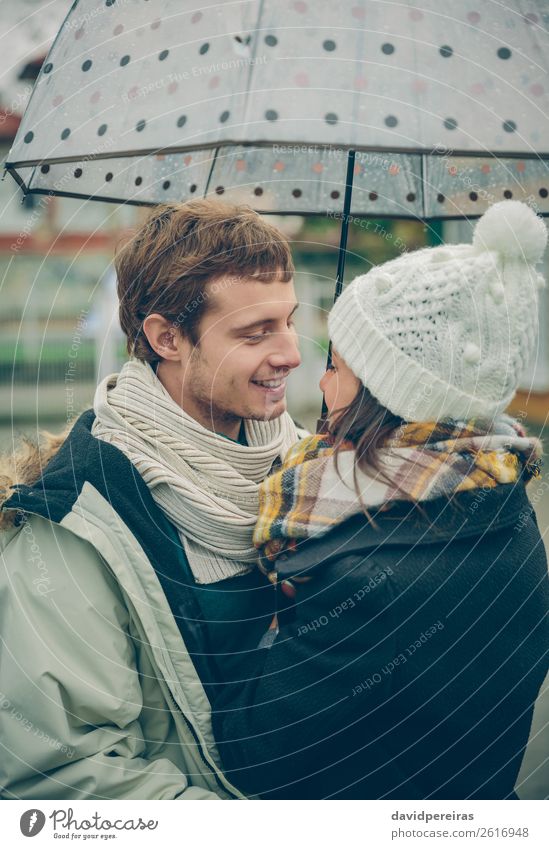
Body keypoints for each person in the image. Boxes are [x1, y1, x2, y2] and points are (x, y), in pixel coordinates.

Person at [212, 201, 549, 800]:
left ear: (387, 395)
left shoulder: (369, 580)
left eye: (336, 366)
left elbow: (251, 752)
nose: (320, 382)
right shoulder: (503, 499)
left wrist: (268, 622)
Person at [0, 199, 303, 800]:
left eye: (290, 320)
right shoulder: (75, 527)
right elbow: (63, 776)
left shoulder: (313, 471)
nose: (291, 353)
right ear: (167, 337)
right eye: (255, 333)